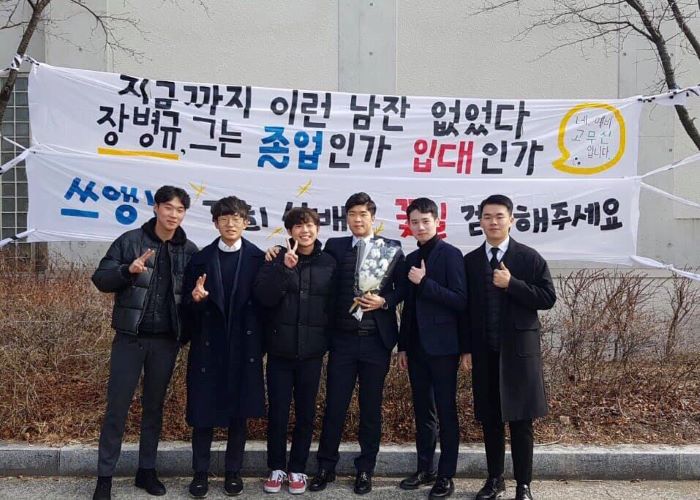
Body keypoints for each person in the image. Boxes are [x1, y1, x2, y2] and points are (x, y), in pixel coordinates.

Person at [267, 193, 403, 494]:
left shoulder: (390, 248)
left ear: (373, 217)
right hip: (342, 340)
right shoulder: (335, 247)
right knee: (334, 406)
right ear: (346, 218)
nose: (357, 219)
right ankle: (325, 466)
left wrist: (384, 301)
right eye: (352, 214)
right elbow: (307, 259)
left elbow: (402, 288)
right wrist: (277, 251)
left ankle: (365, 469)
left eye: (363, 214)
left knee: (370, 408)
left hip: (376, 341)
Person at [90, 185, 198, 500]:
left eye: (180, 210)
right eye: (168, 208)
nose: (173, 215)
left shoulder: (189, 250)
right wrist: (128, 270)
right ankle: (104, 477)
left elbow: (191, 298)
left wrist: (196, 302)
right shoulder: (130, 241)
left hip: (165, 342)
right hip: (130, 338)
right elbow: (101, 279)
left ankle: (146, 470)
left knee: (154, 407)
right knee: (117, 408)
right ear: (156, 208)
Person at [462, 194, 556, 500]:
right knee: (490, 420)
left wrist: (512, 283)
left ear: (511, 220)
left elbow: (548, 298)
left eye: (499, 216)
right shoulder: (470, 261)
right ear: (480, 221)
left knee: (521, 421)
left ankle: (523, 485)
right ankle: (494, 480)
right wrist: (467, 348)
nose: (493, 222)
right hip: (485, 352)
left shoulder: (528, 258)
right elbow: (465, 310)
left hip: (519, 353)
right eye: (487, 217)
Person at [181, 196, 265, 498]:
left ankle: (233, 472)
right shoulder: (200, 259)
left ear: (246, 222)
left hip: (243, 347)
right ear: (215, 223)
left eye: (237, 218)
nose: (231, 224)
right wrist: (195, 300)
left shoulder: (258, 258)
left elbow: (268, 306)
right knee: (203, 414)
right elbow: (185, 306)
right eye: (224, 218)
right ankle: (200, 474)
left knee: (238, 415)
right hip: (209, 347)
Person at [253, 207, 337, 495]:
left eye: (310, 225)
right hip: (280, 351)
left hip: (312, 352)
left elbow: (333, 306)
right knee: (277, 412)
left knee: (306, 413)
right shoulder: (275, 258)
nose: (305, 231)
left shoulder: (329, 262)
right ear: (289, 231)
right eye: (298, 226)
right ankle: (276, 468)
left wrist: (326, 341)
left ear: (317, 228)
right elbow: (264, 298)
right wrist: (283, 269)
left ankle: (298, 468)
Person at [396, 197, 467, 499]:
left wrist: (425, 283)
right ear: (408, 225)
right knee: (423, 411)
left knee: (446, 412)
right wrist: (402, 346)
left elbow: (460, 300)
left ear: (437, 222)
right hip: (416, 348)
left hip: (443, 348)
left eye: (426, 221)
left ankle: (446, 475)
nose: (420, 227)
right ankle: (425, 468)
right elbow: (408, 309)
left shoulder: (451, 255)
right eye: (415, 222)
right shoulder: (411, 258)